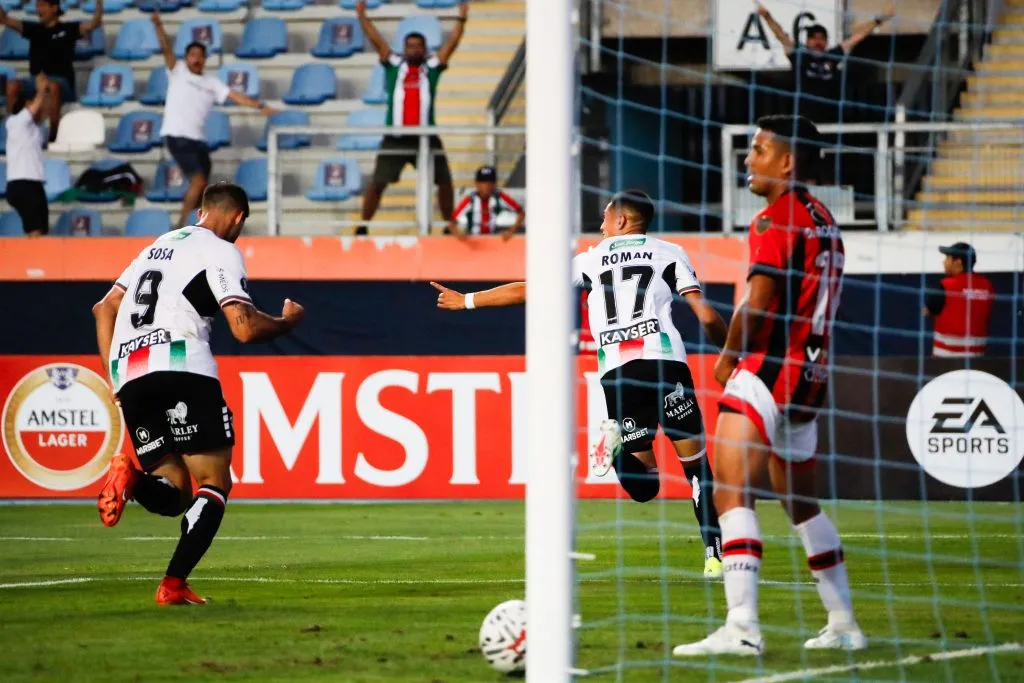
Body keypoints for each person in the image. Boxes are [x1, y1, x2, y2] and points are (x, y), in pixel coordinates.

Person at [431, 190, 731, 577]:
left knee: (645, 489)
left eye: (606, 216)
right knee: (696, 468)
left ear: (622, 220)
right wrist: (729, 352)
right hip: (666, 366)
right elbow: (706, 317)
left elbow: (529, 288)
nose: (602, 222)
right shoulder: (669, 251)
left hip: (619, 375)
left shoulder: (589, 260)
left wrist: (467, 301)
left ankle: (616, 446)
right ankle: (715, 557)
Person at [672, 115, 861, 657]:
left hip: (769, 367)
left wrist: (728, 356)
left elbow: (758, 304)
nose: (748, 160)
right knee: (801, 503)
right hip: (812, 376)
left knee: (730, 487)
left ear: (787, 161)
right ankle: (843, 621)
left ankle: (742, 627)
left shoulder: (773, 219)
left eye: (758, 150)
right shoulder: (825, 219)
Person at [92, 183, 304, 605]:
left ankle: (134, 479)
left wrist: (116, 378)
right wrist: (286, 323)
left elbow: (104, 308)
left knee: (176, 494)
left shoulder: (157, 245)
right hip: (182, 365)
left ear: (202, 210)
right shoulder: (220, 249)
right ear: (238, 218)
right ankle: (172, 584)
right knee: (213, 482)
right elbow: (243, 327)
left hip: (132, 376)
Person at [151, 10, 275, 230]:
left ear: (205, 59)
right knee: (198, 182)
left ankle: (202, 225)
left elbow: (235, 96)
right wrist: (158, 26)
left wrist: (260, 106)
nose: (196, 59)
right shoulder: (178, 71)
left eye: (200, 55)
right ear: (186, 58)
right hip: (177, 135)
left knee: (204, 187)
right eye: (192, 55)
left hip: (198, 140)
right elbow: (166, 48)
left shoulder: (212, 82)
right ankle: (179, 226)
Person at [356, 0, 467, 235]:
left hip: (426, 136)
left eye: (418, 46)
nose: (414, 50)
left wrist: (462, 20)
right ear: (404, 48)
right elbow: (376, 40)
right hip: (395, 137)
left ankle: (450, 225)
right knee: (377, 183)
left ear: (425, 49)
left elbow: (452, 44)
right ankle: (363, 225)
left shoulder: (433, 66)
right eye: (410, 46)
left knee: (444, 181)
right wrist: (362, 16)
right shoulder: (394, 64)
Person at [757, 2, 894, 120]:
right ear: (807, 41)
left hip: (830, 118)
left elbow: (856, 38)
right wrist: (767, 17)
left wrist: (879, 20)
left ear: (826, 42)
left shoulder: (832, 56)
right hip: (805, 121)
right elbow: (781, 36)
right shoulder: (800, 57)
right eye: (814, 38)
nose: (818, 42)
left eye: (822, 38)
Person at [0, 0, 103, 141]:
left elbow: (94, 24)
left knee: (52, 86)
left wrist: (99, 4)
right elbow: (4, 19)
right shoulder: (33, 29)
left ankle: (53, 135)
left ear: (54, 8)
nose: (38, 10)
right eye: (37, 6)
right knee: (11, 85)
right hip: (35, 81)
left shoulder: (69, 29)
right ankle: (11, 131)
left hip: (62, 83)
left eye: (42, 6)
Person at [923, 242, 994, 357]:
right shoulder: (987, 286)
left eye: (947, 258)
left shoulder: (946, 285)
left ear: (958, 262)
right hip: (977, 360)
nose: (944, 262)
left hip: (946, 360)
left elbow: (928, 310)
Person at [5, 73, 52, 236]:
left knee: (41, 230)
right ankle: (34, 261)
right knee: (35, 230)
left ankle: (35, 259)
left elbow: (43, 109)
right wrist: (41, 90)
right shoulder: (15, 122)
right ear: (26, 104)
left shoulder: (35, 130)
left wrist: (44, 94)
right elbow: (34, 108)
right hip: (22, 183)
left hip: (34, 183)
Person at [450, 165, 525, 240]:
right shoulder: (470, 200)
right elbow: (452, 222)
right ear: (477, 184)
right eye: (483, 182)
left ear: (495, 184)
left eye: (490, 182)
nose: (487, 186)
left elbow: (521, 213)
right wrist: (459, 234)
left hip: (492, 239)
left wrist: (511, 231)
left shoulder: (500, 197)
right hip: (473, 239)